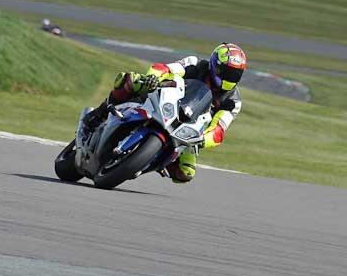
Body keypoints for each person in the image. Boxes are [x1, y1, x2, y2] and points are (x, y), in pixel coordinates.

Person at [83, 42, 247, 183]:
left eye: (234, 74)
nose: (229, 77)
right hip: (166, 100)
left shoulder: (233, 101)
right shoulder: (195, 64)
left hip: (189, 130)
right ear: (215, 65)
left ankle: (151, 161)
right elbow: (165, 69)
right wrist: (153, 77)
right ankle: (100, 113)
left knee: (185, 173)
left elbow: (219, 129)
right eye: (226, 72)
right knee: (133, 80)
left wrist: (203, 140)